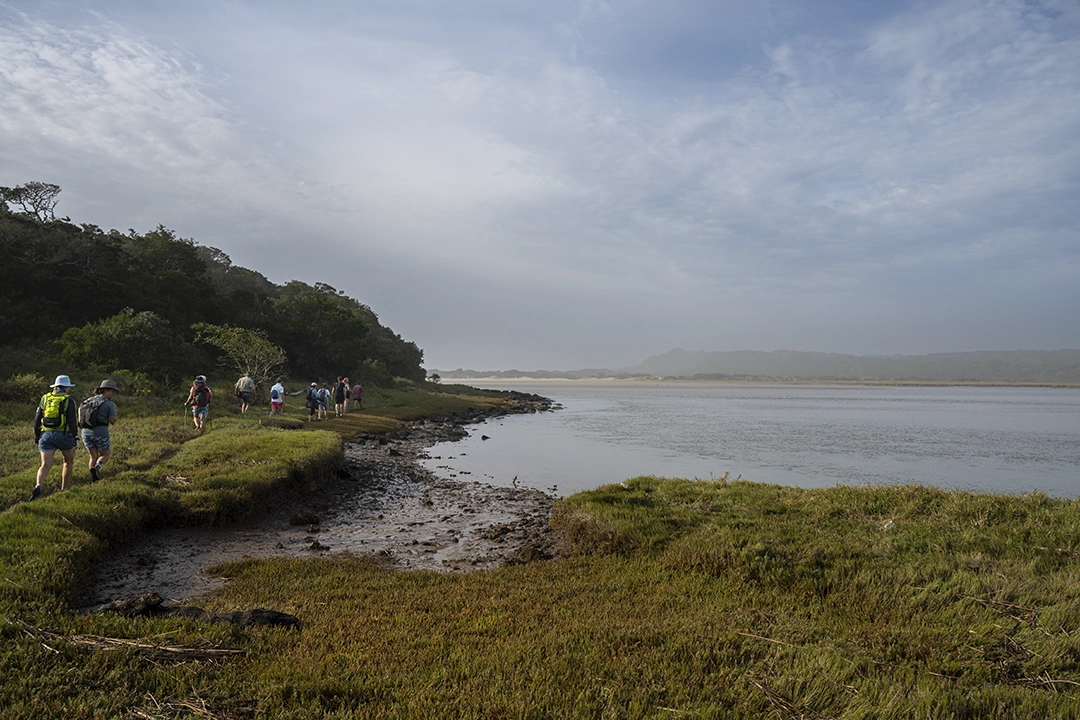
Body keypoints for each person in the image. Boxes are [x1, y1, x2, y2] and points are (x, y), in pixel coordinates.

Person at [31, 375, 79, 499]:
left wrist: (38, 435)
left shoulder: (45, 398)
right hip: (63, 435)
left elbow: (37, 419)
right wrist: (75, 435)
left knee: (45, 465)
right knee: (68, 462)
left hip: (46, 435)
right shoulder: (69, 400)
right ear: (67, 387)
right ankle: (64, 489)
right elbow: (72, 420)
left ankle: (38, 485)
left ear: (55, 386)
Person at [80, 379, 119, 482]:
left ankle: (94, 479)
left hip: (85, 433)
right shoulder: (109, 404)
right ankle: (97, 468)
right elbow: (112, 420)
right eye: (112, 391)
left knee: (93, 456)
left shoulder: (89, 400)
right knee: (105, 454)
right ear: (105, 390)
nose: (113, 394)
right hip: (100, 433)